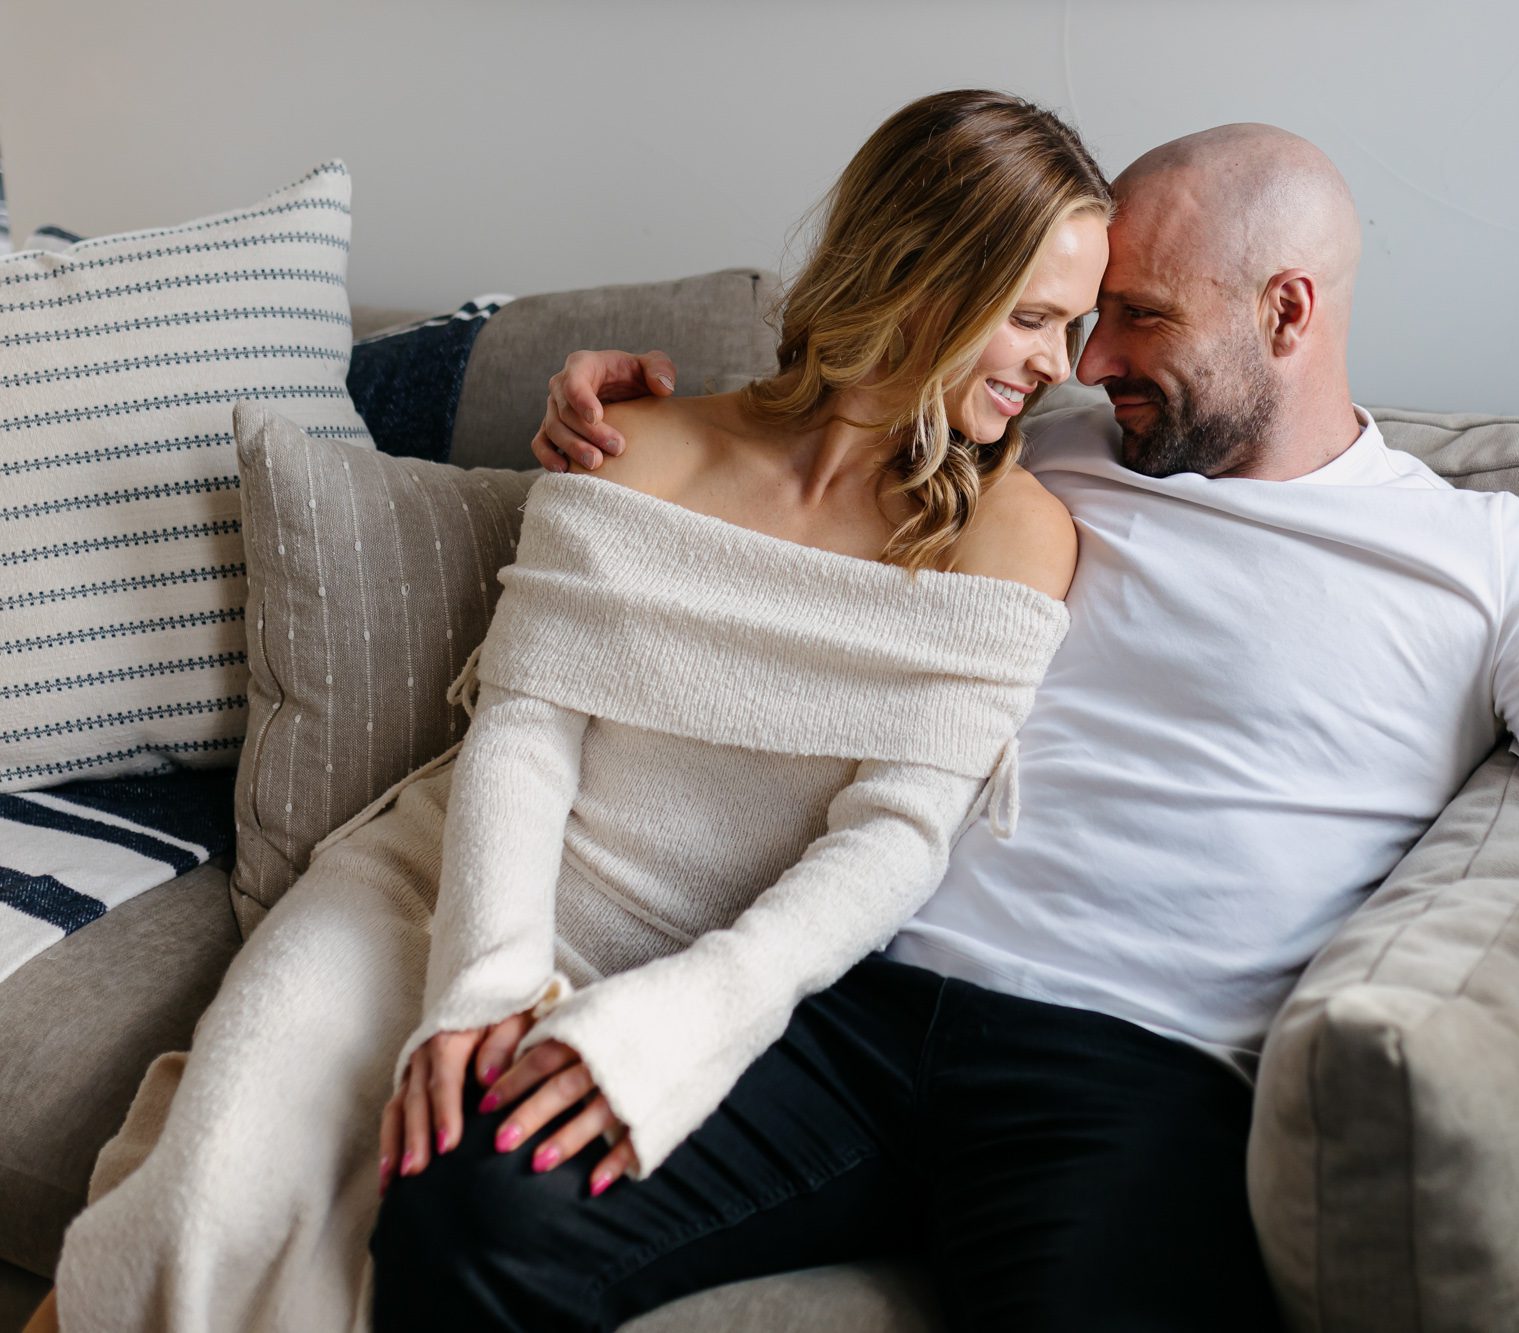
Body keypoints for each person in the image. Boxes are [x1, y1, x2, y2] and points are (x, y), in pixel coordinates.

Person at [518, 123, 1519, 1329]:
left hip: (1133, 1073)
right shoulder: (1037, 443)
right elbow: (798, 433)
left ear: (1290, 312)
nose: (1086, 358)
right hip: (849, 995)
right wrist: (617, 391)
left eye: (1141, 319)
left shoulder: (1487, 561)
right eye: (1083, 318)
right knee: (482, 1216)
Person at [37, 89, 1107, 1333]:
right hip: (445, 886)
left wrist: (686, 1019)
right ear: (916, 275)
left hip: (675, 960)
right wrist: (483, 986)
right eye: (1031, 317)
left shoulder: (1009, 533)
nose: (1057, 365)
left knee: (378, 1245)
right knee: (213, 1184)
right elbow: (522, 734)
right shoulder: (638, 445)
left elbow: (896, 836)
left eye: (1076, 327)